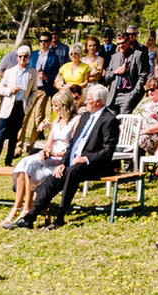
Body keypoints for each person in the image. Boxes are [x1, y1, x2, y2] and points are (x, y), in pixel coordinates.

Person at [16, 83, 121, 228]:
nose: (85, 102)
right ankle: (29, 217)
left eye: (89, 100)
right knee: (55, 176)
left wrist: (86, 158)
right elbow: (72, 144)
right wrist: (62, 164)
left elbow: (108, 151)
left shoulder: (109, 120)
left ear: (98, 102)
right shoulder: (85, 117)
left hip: (96, 164)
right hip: (74, 162)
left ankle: (60, 217)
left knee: (73, 171)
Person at [0, 44, 35, 167]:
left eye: (25, 57)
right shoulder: (9, 72)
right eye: (20, 57)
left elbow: (34, 92)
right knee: (1, 134)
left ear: (28, 57)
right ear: (16, 57)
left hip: (21, 107)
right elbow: (0, 89)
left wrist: (28, 106)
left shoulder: (32, 73)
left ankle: (8, 161)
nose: (22, 59)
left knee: (14, 135)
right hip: (8, 106)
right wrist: (10, 90)